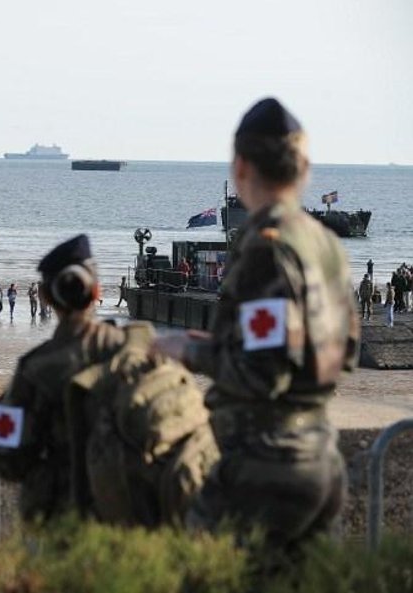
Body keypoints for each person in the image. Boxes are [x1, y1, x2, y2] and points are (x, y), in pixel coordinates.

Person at [152, 98, 359, 548]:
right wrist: (225, 342)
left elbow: (264, 372)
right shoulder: (326, 245)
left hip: (262, 466)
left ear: (241, 167)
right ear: (303, 168)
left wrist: (189, 351)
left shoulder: (267, 247)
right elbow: (338, 353)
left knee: (199, 570)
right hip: (320, 454)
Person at [0, 235, 117, 521]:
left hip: (65, 518)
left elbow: (8, 461)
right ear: (98, 291)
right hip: (135, 519)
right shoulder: (140, 352)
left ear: (45, 296)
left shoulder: (34, 369)